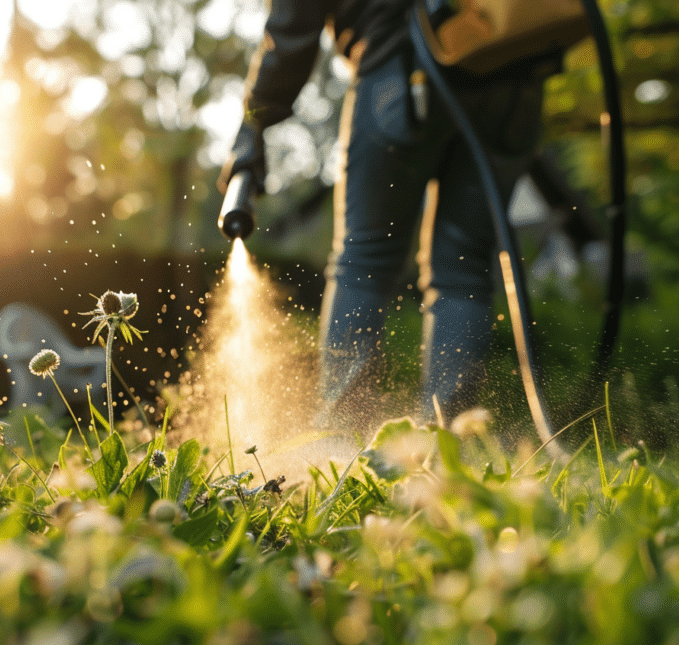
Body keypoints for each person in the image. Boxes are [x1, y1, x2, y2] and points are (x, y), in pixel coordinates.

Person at [220, 0, 560, 432]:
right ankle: (448, 443)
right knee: (464, 267)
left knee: (365, 260)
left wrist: (254, 118)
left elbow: (292, 27)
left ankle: (342, 441)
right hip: (514, 80)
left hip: (400, 70)